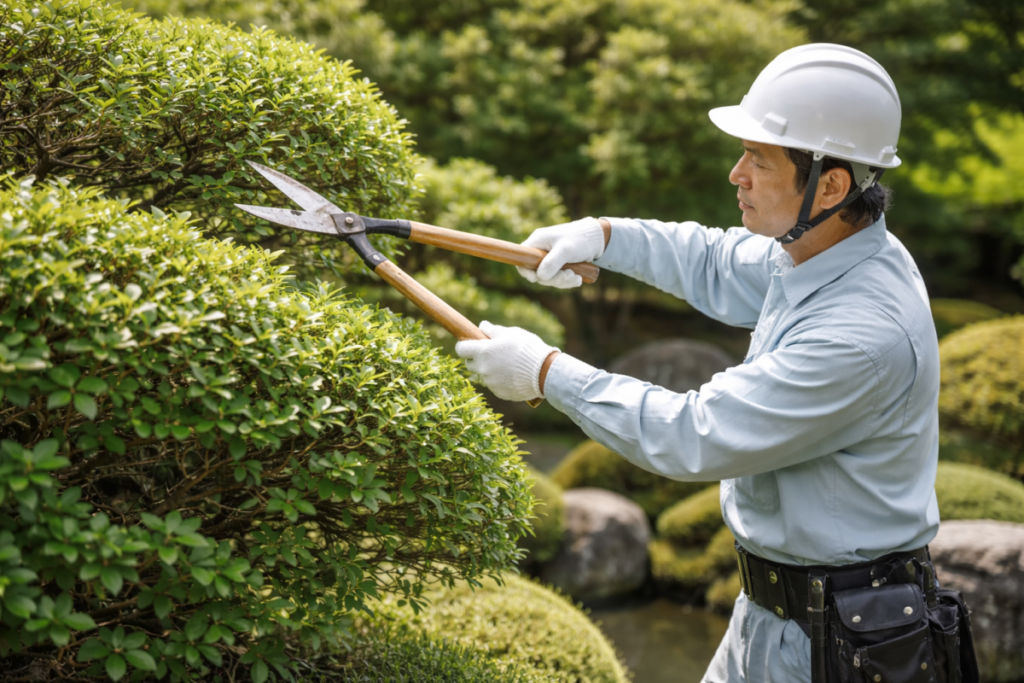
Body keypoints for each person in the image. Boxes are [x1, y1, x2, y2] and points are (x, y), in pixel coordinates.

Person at [456, 44, 977, 683]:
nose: (737, 174)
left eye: (758, 160)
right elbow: (714, 260)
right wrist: (603, 235)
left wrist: (544, 373)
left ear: (831, 184)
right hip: (775, 612)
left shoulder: (861, 333)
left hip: (841, 642)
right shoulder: (828, 250)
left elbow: (692, 434)